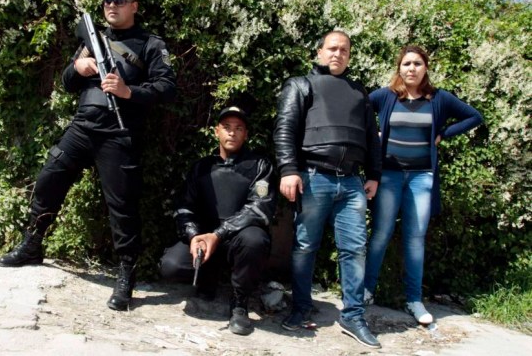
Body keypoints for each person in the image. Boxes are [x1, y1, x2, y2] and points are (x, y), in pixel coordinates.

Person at [0, 0, 176, 312]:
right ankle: (33, 244)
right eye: (108, 0)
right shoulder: (94, 39)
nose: (112, 5)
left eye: (120, 0)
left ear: (134, 6)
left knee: (122, 207)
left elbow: (167, 88)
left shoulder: (150, 44)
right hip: (82, 128)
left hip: (119, 134)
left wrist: (129, 92)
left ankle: (126, 277)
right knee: (49, 178)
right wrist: (77, 67)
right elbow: (67, 83)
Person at [273, 31, 382, 348]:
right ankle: (300, 308)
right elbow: (285, 129)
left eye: (344, 50)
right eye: (332, 48)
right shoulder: (300, 84)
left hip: (351, 182)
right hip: (312, 177)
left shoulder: (359, 91)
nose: (338, 54)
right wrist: (289, 170)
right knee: (305, 246)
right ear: (319, 51)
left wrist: (373, 174)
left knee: (354, 249)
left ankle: (353, 316)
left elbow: (372, 138)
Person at [363, 45, 483, 324]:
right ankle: (367, 291)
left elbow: (474, 116)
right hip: (390, 175)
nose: (412, 69)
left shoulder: (438, 98)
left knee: (415, 238)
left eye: (417, 63)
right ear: (399, 68)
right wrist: (374, 134)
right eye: (406, 64)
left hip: (421, 177)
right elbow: (358, 111)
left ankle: (414, 300)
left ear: (425, 67)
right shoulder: (386, 96)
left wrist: (442, 134)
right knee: (381, 233)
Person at [160, 106, 277, 336]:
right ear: (216, 132)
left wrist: (218, 234)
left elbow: (258, 209)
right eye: (226, 128)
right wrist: (194, 236)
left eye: (238, 128)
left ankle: (239, 302)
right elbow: (184, 207)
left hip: (238, 241)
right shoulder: (201, 167)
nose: (232, 133)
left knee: (255, 240)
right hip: (205, 241)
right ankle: (207, 277)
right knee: (170, 266)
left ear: (246, 134)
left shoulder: (260, 166)